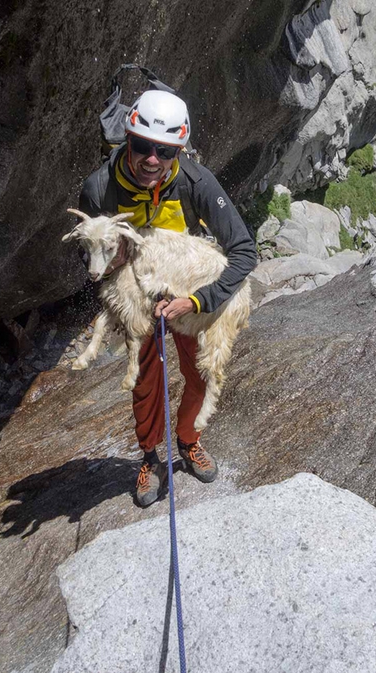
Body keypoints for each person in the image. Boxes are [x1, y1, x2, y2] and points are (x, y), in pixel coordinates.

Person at [79, 89, 257, 506]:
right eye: (142, 146)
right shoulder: (100, 188)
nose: (152, 159)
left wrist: (196, 302)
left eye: (165, 150)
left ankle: (189, 440)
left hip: (186, 288)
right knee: (145, 380)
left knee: (199, 373)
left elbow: (244, 252)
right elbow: (87, 252)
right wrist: (111, 266)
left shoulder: (196, 182)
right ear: (128, 140)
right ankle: (150, 458)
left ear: (179, 149)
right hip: (137, 295)